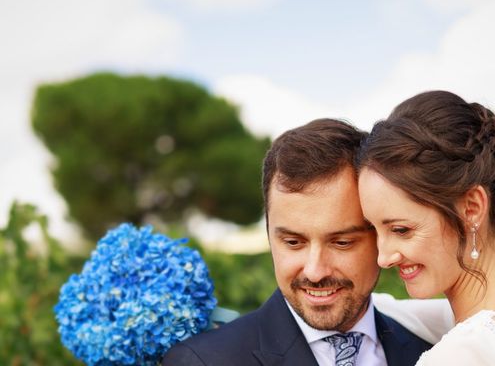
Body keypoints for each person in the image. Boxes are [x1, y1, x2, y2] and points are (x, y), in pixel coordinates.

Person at [163, 118, 451, 366]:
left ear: (380, 235)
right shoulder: (202, 362)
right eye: (293, 242)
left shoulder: (435, 354)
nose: (315, 272)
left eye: (341, 242)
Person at [357, 90, 495, 365]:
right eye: (373, 229)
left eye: (401, 230)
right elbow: (396, 310)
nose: (383, 258)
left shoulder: (462, 353)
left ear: (472, 208)